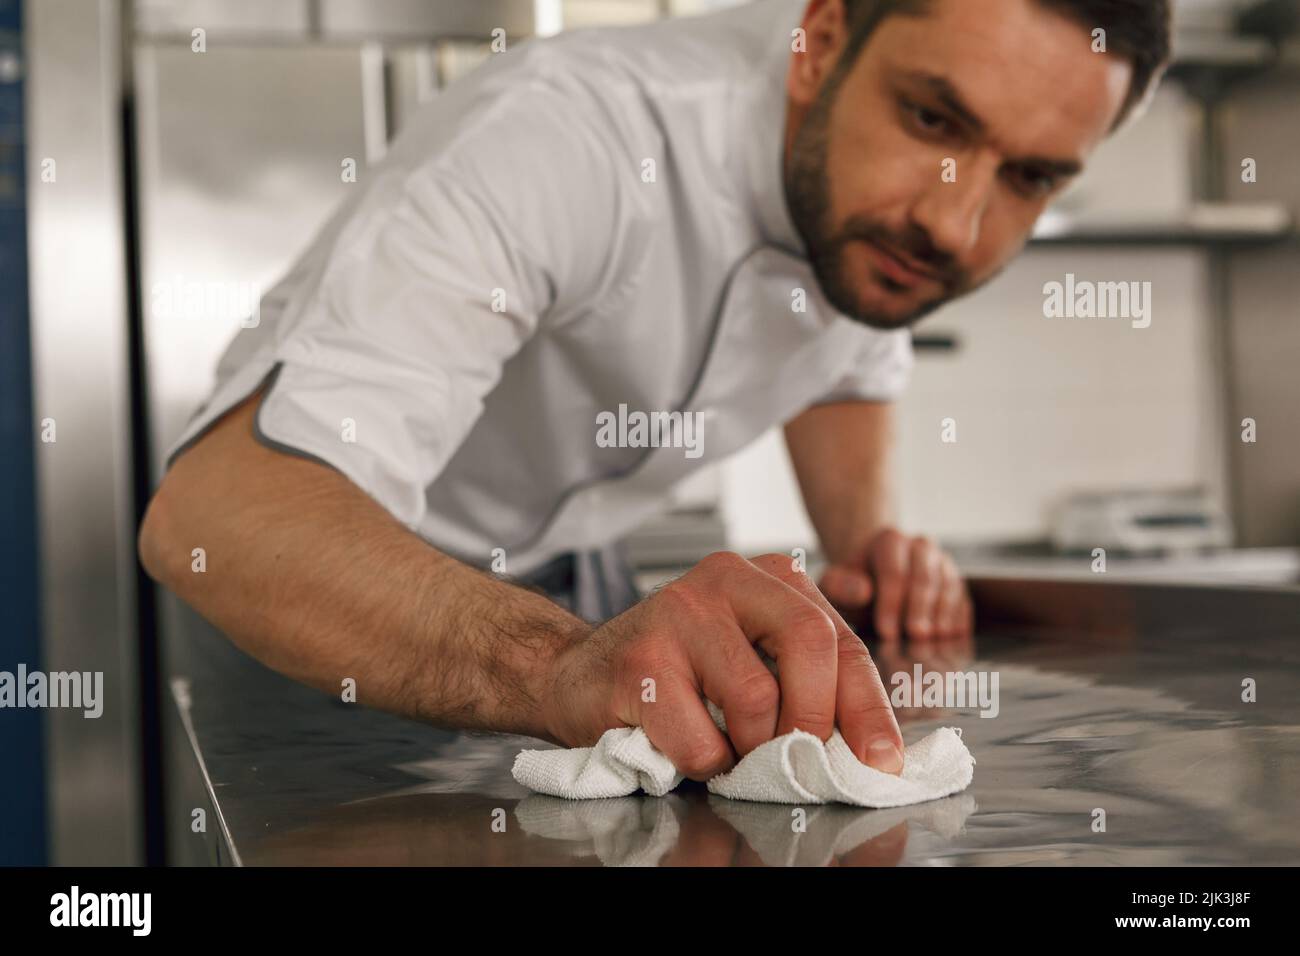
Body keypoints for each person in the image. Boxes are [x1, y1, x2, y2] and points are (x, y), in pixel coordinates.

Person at [139, 0, 1171, 780]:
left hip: (574, 589)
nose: (954, 225)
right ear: (820, 38)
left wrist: (867, 558)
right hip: (327, 591)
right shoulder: (570, 137)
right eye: (932, 118)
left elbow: (846, 343)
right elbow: (218, 518)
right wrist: (554, 668)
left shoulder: (868, 219)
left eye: (1029, 178)